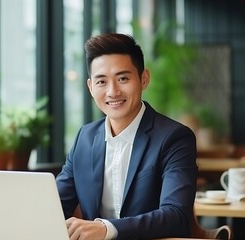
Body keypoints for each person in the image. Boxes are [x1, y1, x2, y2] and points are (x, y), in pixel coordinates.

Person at [56, 33, 198, 240]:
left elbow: (176, 216)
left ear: (144, 79)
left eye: (123, 78)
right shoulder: (84, 138)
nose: (113, 92)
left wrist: (107, 229)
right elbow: (55, 204)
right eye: (102, 81)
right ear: (90, 87)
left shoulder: (174, 138)